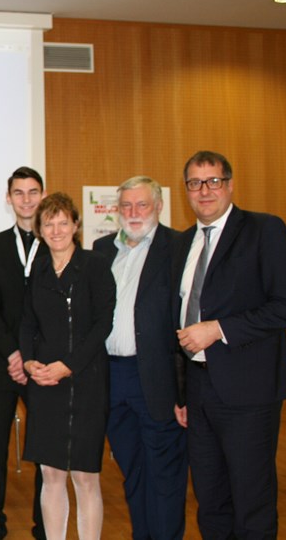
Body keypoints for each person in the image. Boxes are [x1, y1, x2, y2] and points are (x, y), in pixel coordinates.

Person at [173, 151, 286, 539]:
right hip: (198, 391)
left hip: (249, 391)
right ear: (187, 192)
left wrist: (219, 329)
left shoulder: (265, 231)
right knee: (210, 500)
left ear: (230, 185)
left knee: (252, 499)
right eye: (195, 183)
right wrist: (181, 392)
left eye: (213, 181)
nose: (205, 191)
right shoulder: (183, 244)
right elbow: (174, 321)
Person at [93, 177, 187, 540]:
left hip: (158, 380)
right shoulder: (101, 250)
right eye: (126, 206)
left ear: (159, 207)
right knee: (132, 472)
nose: (133, 213)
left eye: (141, 205)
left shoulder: (177, 247)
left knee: (165, 476)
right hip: (112, 379)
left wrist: (185, 392)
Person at [20, 193, 115, 540]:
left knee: (85, 476)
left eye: (63, 222)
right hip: (45, 383)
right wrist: (29, 359)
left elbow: (103, 323)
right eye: (49, 223)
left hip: (86, 381)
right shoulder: (39, 268)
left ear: (76, 225)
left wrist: (68, 366)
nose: (56, 229)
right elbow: (28, 322)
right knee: (51, 473)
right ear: (40, 230)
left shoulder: (96, 265)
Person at [0, 168, 48, 540]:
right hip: (1, 363)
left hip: (43, 365)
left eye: (33, 192)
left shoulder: (57, 242)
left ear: (43, 195)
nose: (26, 200)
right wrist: (13, 353)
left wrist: (32, 356)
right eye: (18, 193)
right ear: (8, 199)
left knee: (44, 452)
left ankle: (43, 527)